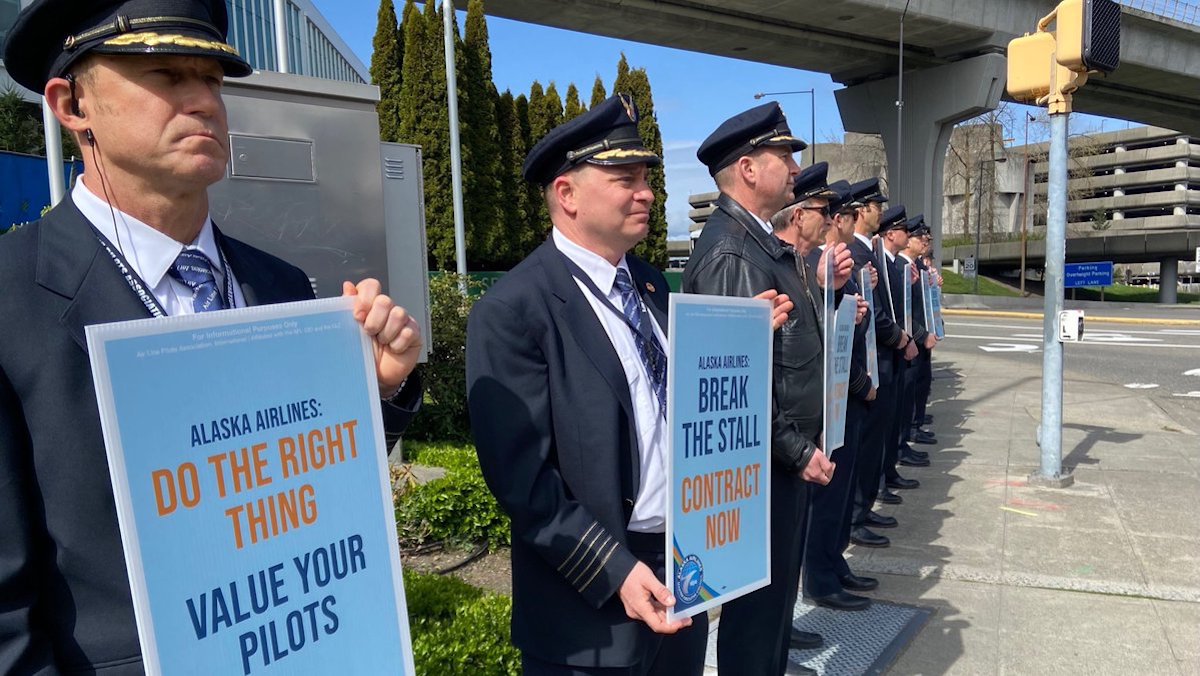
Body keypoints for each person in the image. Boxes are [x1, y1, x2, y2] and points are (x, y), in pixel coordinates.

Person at [0, 2, 423, 673]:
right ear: (70, 104)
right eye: (166, 75)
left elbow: (297, 485)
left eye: (214, 80)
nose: (203, 101)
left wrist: (372, 390)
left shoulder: (280, 282)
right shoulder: (11, 298)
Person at [467, 94, 792, 676]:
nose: (646, 192)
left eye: (646, 177)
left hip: (679, 567)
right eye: (624, 178)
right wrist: (613, 570)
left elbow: (678, 397)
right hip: (588, 601)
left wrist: (742, 339)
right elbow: (523, 483)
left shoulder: (648, 285)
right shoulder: (515, 308)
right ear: (566, 194)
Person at [683, 103, 849, 676]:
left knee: (773, 612)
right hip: (763, 471)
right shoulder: (733, 252)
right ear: (749, 169)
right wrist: (798, 451)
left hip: (779, 464)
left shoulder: (758, 245)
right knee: (756, 621)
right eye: (784, 154)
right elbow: (734, 385)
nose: (795, 165)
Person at [796, 179, 880, 611]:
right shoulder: (809, 265)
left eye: (835, 213)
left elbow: (844, 334)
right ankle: (820, 577)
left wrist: (857, 312)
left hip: (840, 395)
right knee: (824, 500)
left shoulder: (832, 264)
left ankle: (832, 563)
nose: (832, 221)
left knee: (838, 492)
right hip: (824, 400)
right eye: (826, 212)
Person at [843, 181, 909, 548]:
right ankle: (856, 515)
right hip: (868, 361)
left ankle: (862, 510)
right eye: (873, 206)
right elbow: (876, 314)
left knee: (871, 444)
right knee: (863, 445)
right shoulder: (854, 252)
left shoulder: (869, 252)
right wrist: (898, 338)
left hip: (876, 358)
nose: (878, 212)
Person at [877, 207, 924, 491]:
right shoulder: (880, 262)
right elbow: (884, 314)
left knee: (895, 416)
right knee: (881, 428)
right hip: (886, 354)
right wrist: (905, 339)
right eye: (905, 231)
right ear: (891, 233)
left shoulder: (894, 265)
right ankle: (880, 482)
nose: (910, 236)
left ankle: (888, 471)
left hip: (896, 351)